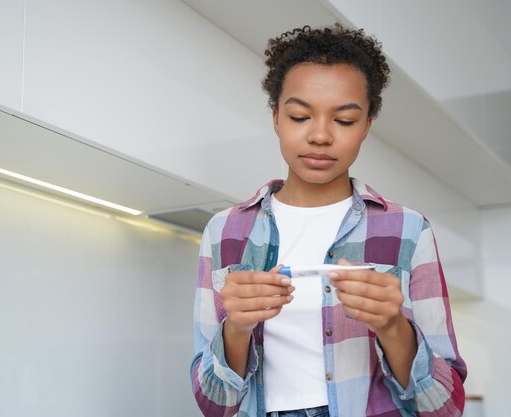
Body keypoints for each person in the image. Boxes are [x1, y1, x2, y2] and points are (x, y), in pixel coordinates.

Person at [190, 24, 467, 417]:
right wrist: (236, 328)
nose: (320, 135)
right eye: (300, 116)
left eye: (345, 120)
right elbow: (212, 405)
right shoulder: (224, 232)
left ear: (367, 125)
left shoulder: (408, 229)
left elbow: (446, 407)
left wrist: (392, 328)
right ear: (276, 119)